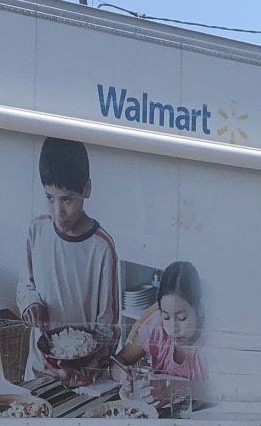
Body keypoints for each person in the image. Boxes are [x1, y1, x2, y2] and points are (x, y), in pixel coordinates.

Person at [18, 137, 119, 383]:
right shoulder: (37, 230)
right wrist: (30, 303)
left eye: (67, 199)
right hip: (39, 369)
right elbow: (25, 284)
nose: (57, 211)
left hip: (81, 373)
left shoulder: (102, 247)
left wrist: (90, 368)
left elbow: (107, 324)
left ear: (86, 189)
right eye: (49, 197)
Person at [115, 260, 208, 407]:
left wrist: (173, 388)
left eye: (182, 318)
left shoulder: (212, 339)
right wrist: (124, 376)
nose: (173, 328)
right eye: (166, 317)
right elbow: (118, 362)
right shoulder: (157, 327)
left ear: (200, 309)